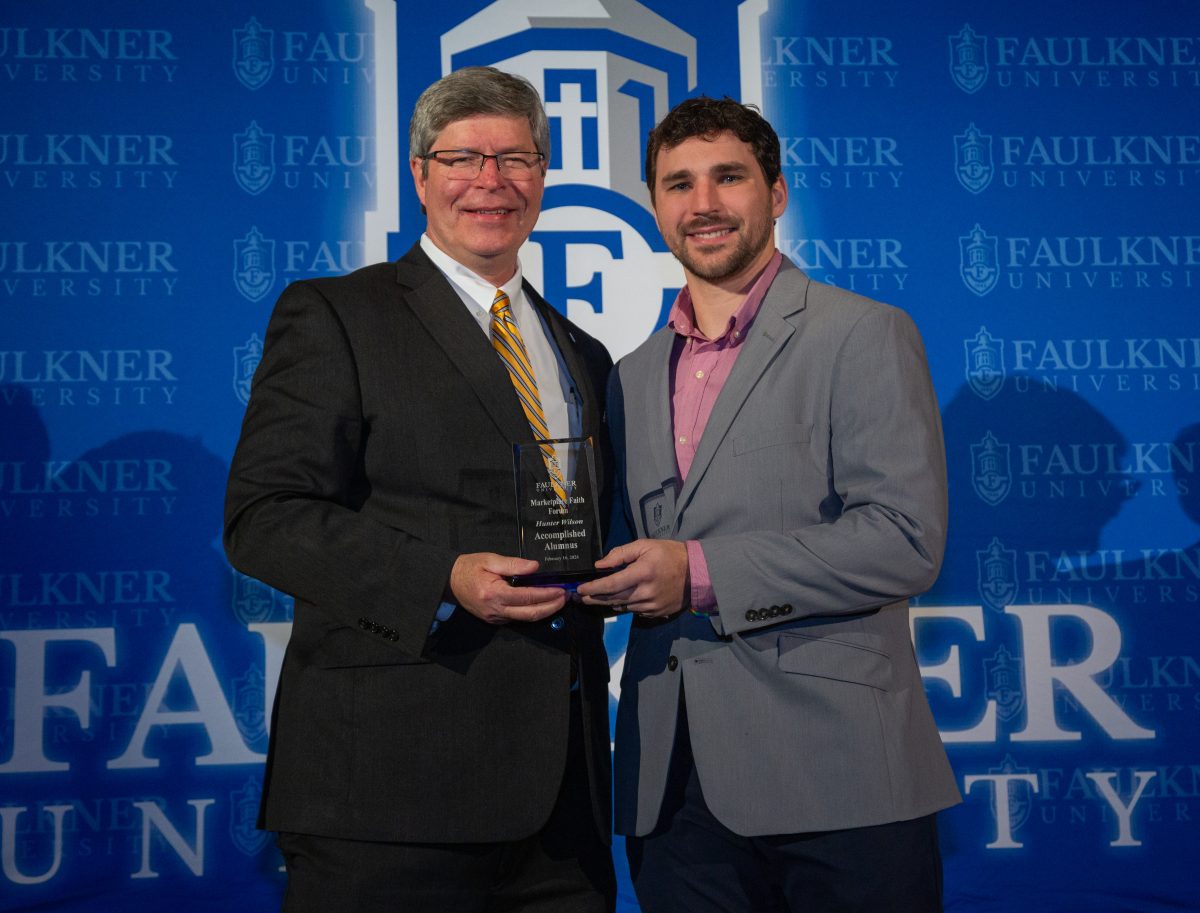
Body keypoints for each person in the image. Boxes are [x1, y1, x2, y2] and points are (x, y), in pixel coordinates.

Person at [224, 66, 616, 913]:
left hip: (562, 807)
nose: (490, 181)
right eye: (463, 157)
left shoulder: (582, 349)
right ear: (419, 174)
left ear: (543, 175)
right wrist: (441, 575)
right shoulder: (336, 315)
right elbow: (264, 517)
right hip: (389, 799)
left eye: (515, 158)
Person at [578, 97, 961, 912]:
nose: (703, 203)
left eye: (729, 177)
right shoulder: (631, 374)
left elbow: (905, 540)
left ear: (777, 193)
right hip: (673, 790)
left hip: (841, 776)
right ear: (654, 206)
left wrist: (703, 571)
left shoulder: (862, 333)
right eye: (677, 183)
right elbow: (614, 547)